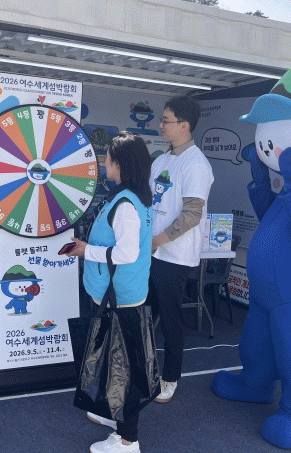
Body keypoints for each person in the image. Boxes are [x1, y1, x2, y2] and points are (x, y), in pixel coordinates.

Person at [66, 131, 152, 453]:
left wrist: (85, 250)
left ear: (120, 164)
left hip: (119, 298)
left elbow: (126, 253)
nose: (105, 161)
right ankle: (110, 413)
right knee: (110, 361)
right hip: (111, 293)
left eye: (108, 157)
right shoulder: (128, 196)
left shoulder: (126, 204)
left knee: (123, 369)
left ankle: (128, 440)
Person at [148, 95, 213, 403]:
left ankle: (170, 377)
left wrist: (158, 240)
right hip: (151, 252)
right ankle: (142, 368)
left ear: (184, 125)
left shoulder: (196, 164)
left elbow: (192, 214)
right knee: (143, 314)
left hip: (174, 256)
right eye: (162, 119)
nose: (160, 125)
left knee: (171, 319)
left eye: (166, 120)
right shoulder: (161, 161)